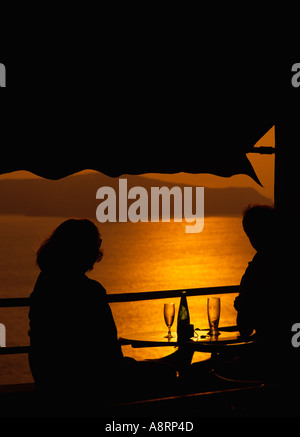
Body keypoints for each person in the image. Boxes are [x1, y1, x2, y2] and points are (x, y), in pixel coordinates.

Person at [28, 218, 189, 416]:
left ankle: (171, 360)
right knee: (165, 376)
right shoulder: (89, 291)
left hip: (51, 379)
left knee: (146, 368)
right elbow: (108, 352)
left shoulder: (44, 283)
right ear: (84, 250)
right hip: (91, 384)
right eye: (96, 244)